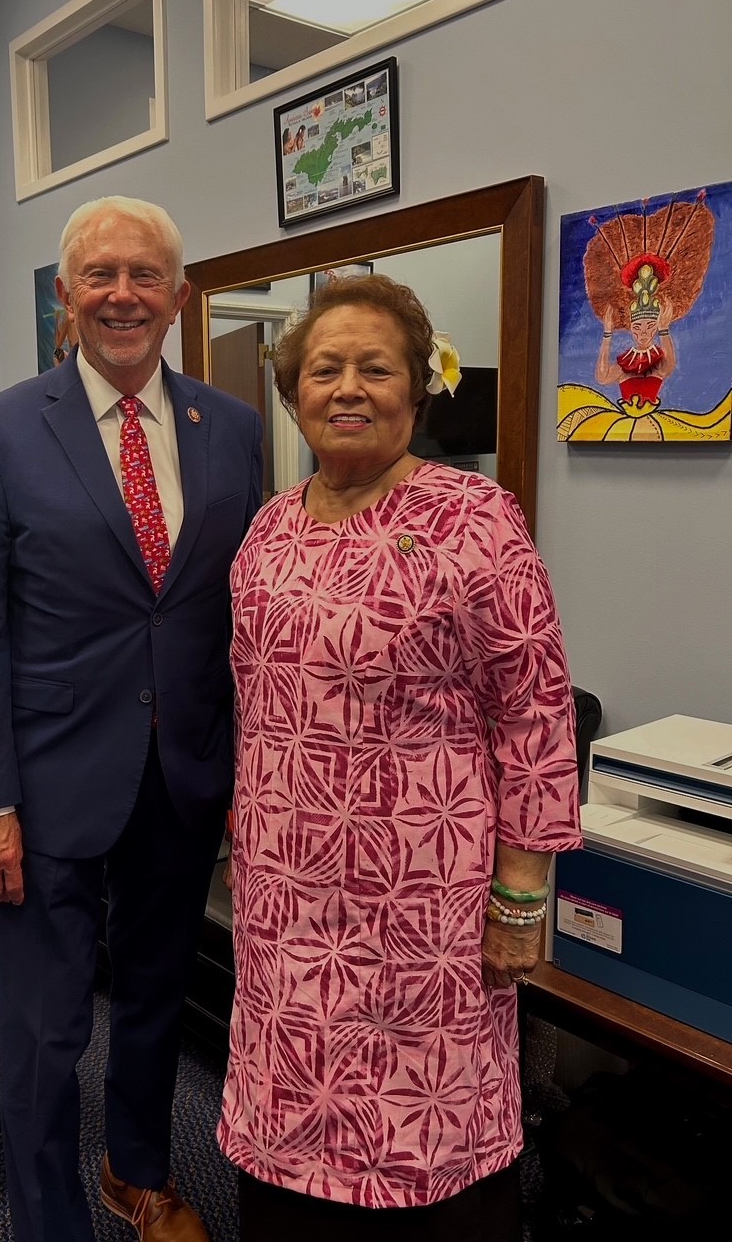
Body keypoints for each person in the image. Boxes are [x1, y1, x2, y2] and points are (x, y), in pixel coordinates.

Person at [218, 274, 582, 1242]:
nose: (346, 387)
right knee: (289, 1132)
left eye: (373, 368)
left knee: (425, 1143)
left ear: (416, 391)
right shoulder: (267, 530)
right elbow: (255, 699)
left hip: (424, 908)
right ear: (294, 393)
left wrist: (520, 901)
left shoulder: (475, 520)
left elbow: (535, 716)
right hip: (284, 902)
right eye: (324, 368)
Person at [0, 194, 264, 1242]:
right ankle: (49, 1220)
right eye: (98, 275)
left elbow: (235, 614)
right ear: (67, 298)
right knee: (40, 1030)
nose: (122, 293)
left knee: (160, 994)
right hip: (44, 783)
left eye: (143, 275)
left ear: (178, 295)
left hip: (181, 776)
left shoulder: (236, 429)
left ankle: (138, 1173)